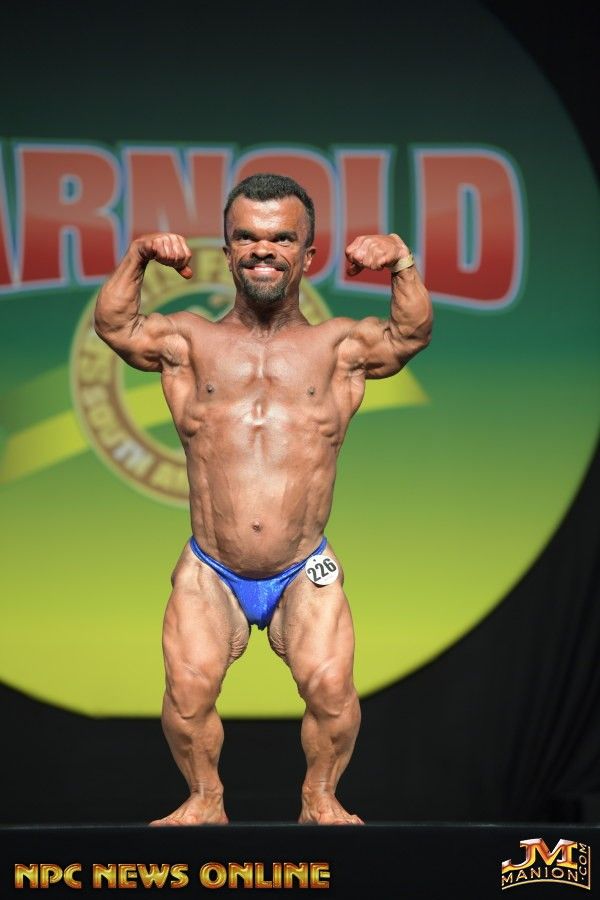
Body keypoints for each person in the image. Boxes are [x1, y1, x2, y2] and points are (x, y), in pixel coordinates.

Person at [94, 173, 432, 825]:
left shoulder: (339, 348)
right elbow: (116, 324)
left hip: (303, 566)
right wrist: (137, 255)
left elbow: (408, 335)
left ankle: (320, 798)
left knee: (331, 689)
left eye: (281, 238)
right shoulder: (189, 342)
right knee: (187, 693)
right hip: (211, 567)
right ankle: (205, 799)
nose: (262, 250)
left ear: (307, 253)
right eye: (247, 237)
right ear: (228, 251)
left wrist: (402, 264)